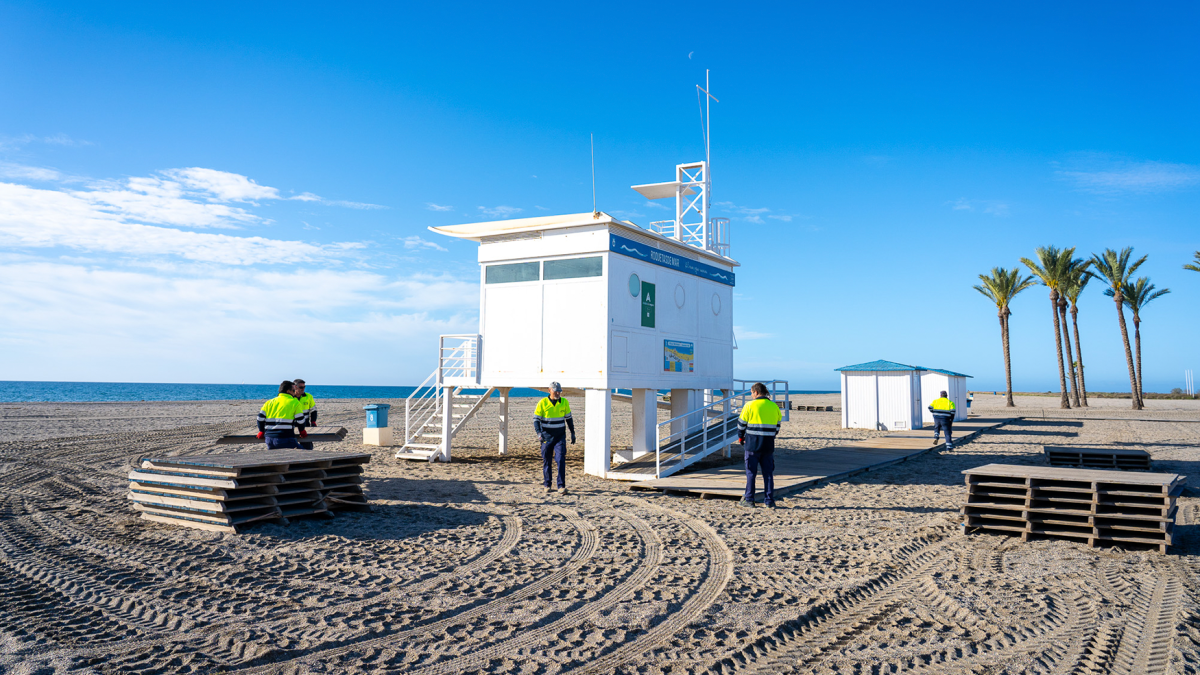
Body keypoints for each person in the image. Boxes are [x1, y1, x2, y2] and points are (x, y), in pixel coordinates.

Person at [737, 382, 782, 508]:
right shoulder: (774, 406)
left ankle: (749, 500)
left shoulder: (749, 405)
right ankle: (769, 501)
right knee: (768, 474)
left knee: (751, 473)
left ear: (756, 392)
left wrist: (741, 437)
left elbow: (741, 425)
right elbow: (777, 427)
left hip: (752, 444)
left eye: (751, 393)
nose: (751, 395)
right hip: (768, 445)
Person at [533, 381, 575, 494]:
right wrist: (539, 433)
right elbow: (536, 420)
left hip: (560, 437)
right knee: (547, 461)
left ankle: (561, 486)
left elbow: (569, 419)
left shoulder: (564, 402)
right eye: (555, 391)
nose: (557, 393)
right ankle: (547, 484)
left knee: (560, 459)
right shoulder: (542, 403)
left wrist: (572, 432)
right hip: (546, 437)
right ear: (549, 390)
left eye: (559, 391)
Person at [256, 381, 308, 450]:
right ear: (288, 391)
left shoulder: (269, 402)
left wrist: (261, 431)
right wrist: (302, 431)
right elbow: (300, 420)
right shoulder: (294, 402)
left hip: (269, 438)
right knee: (304, 452)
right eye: (293, 390)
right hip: (285, 437)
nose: (295, 392)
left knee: (275, 455)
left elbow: (260, 418)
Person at [294, 379, 317, 450]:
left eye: (304, 387)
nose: (303, 389)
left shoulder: (308, 396)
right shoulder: (290, 397)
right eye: (301, 387)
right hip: (292, 424)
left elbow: (313, 410)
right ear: (295, 387)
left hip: (305, 424)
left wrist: (313, 421)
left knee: (307, 445)